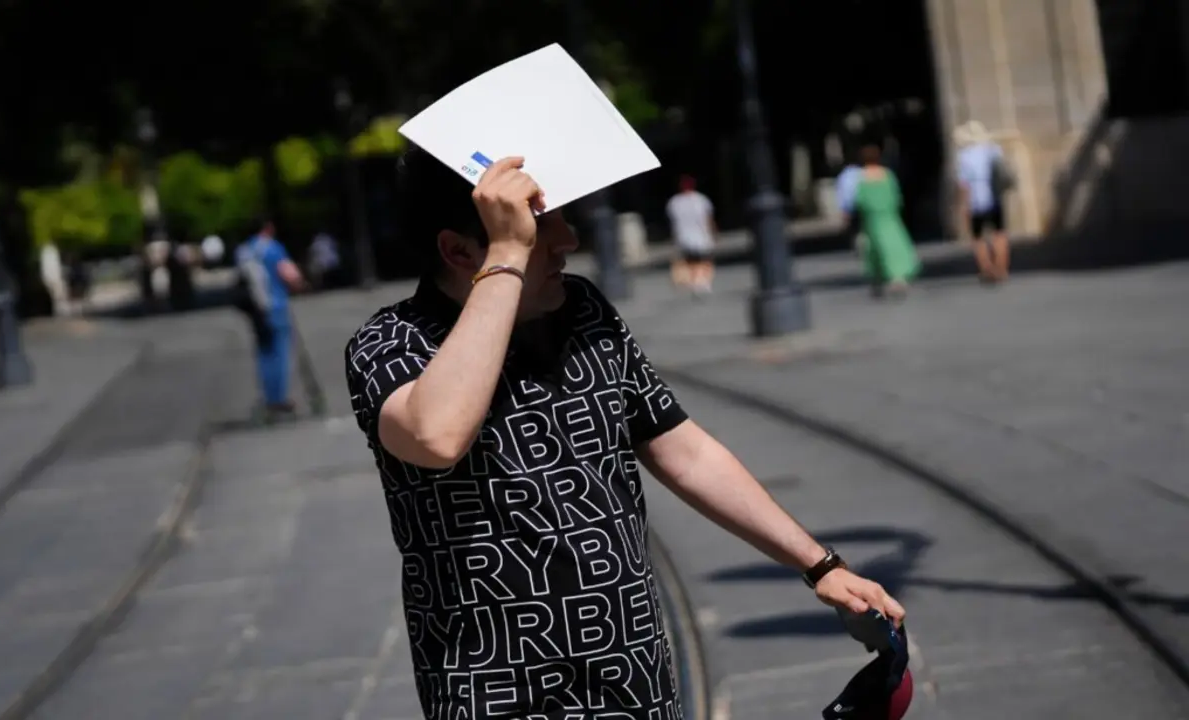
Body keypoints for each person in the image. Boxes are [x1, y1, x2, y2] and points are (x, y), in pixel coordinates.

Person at [344, 149, 906, 719]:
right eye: (542, 226)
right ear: (459, 250)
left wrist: (821, 566)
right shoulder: (391, 343)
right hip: (494, 691)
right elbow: (437, 436)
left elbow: (683, 451)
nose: (568, 240)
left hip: (633, 678)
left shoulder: (583, 310)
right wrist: (510, 255)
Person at [236, 219, 305, 416]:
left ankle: (269, 397)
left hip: (257, 309)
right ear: (267, 228)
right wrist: (300, 285)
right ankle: (280, 398)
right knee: (280, 352)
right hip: (276, 305)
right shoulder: (272, 248)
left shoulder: (244, 251)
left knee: (264, 353)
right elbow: (289, 274)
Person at [854, 142, 920, 297]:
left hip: (872, 219)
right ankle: (898, 276)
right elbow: (896, 196)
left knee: (875, 248)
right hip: (890, 216)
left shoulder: (862, 178)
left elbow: (860, 200)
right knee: (895, 245)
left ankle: (878, 277)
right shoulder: (887, 175)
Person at [955, 120, 1012, 283]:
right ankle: (1001, 268)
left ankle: (986, 269)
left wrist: (962, 205)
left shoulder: (964, 156)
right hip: (995, 197)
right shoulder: (993, 150)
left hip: (975, 201)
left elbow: (963, 184)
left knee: (978, 237)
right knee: (999, 234)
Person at [665, 175, 717, 296]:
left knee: (690, 261)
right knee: (704, 260)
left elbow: (672, 222)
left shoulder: (674, 202)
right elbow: (708, 218)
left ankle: (694, 281)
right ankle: (703, 282)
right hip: (701, 235)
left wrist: (674, 238)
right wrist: (714, 232)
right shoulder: (701, 199)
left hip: (684, 237)